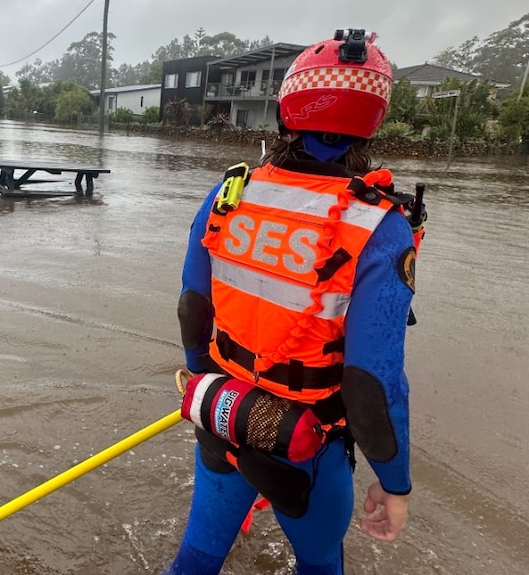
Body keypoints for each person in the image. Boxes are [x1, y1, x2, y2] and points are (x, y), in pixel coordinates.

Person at [166, 29, 419, 575]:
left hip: (224, 415)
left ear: (288, 107)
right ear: (374, 118)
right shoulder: (380, 226)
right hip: (307, 445)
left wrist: (203, 383)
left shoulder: (229, 192)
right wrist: (395, 484)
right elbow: (372, 383)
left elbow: (193, 307)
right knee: (321, 564)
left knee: (198, 558)